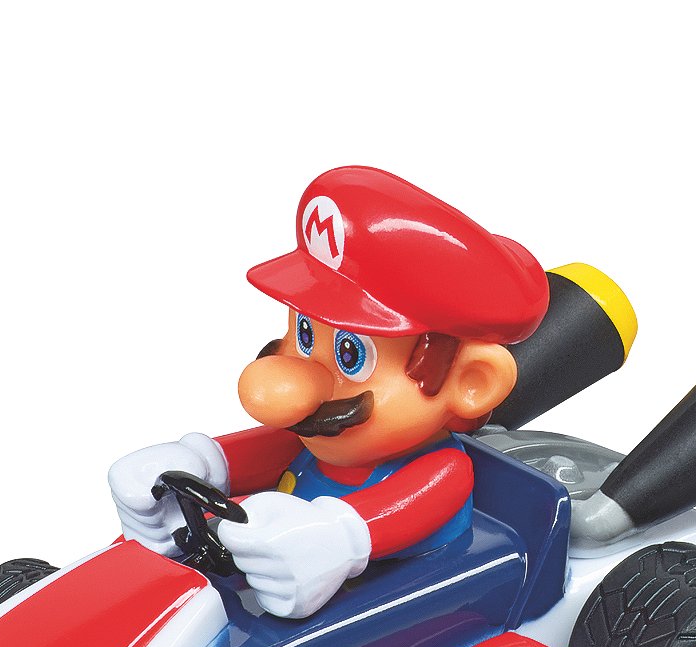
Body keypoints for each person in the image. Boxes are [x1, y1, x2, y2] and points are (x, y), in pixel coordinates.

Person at [110, 166, 549, 618]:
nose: (292, 385)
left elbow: (388, 515)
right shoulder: (314, 439)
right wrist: (198, 464)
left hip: (404, 605)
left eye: (350, 354)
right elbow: (262, 451)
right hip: (276, 559)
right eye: (304, 334)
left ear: (471, 381)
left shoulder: (442, 471)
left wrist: (335, 540)